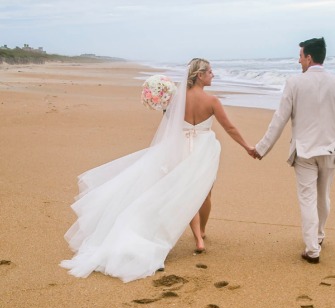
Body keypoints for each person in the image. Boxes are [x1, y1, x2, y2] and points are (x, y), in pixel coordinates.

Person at [60, 58, 254, 282]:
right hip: (203, 150)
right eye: (210, 71)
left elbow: (170, 123)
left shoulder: (175, 101)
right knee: (203, 192)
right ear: (199, 75)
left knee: (183, 191)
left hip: (178, 148)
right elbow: (229, 127)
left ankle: (198, 237)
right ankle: (200, 235)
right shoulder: (212, 101)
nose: (213, 74)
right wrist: (247, 147)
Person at [253, 37, 335, 263]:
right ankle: (318, 236)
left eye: (300, 56)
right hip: (329, 151)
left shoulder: (294, 82)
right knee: (323, 197)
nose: (298, 60)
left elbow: (280, 118)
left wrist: (262, 148)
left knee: (308, 199)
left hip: (304, 152)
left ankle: (312, 248)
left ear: (309, 58)